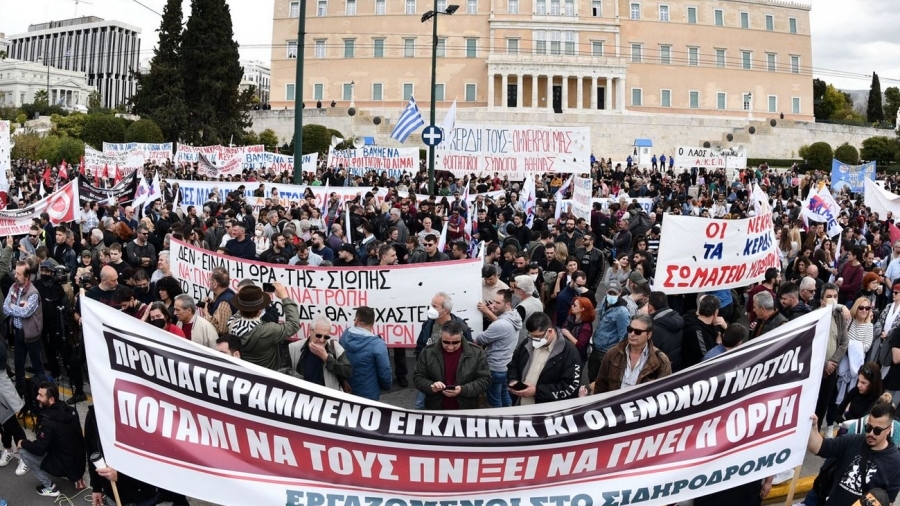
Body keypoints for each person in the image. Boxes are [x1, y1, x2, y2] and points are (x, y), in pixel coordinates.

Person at [806, 403, 900, 506]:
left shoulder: (896, 463)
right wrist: (813, 427)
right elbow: (818, 447)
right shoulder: (852, 441)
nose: (871, 433)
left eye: (877, 430)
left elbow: (888, 501)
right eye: (868, 427)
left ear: (889, 429)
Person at [16, 382, 86, 498]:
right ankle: (77, 478)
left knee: (23, 452)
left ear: (51, 399)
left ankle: (50, 487)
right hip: (79, 464)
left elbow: (39, 449)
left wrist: (22, 443)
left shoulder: (48, 421)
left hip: (64, 465)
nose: (37, 398)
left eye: (40, 395)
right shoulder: (70, 410)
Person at [413, 319, 491, 410]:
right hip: (435, 408)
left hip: (466, 409)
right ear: (440, 336)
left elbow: (485, 380)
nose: (450, 347)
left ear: (461, 337)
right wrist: (431, 386)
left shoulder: (476, 352)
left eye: (455, 343)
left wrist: (463, 389)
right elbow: (418, 377)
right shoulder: (427, 352)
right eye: (446, 342)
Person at [507, 312, 581, 405]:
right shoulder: (528, 343)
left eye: (538, 336)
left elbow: (570, 387)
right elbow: (514, 364)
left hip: (547, 409)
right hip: (521, 404)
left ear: (550, 331)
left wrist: (537, 391)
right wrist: (513, 381)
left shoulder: (569, 352)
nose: (534, 339)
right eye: (531, 335)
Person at [227, 283, 300, 371]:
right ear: (260, 310)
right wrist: (285, 297)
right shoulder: (268, 330)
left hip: (243, 372)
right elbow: (294, 324)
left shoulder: (231, 323)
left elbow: (240, 312)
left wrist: (251, 300)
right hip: (266, 375)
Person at [593, 313, 672, 394]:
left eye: (638, 332)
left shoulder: (660, 361)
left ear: (648, 335)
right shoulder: (613, 353)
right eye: (630, 329)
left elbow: (664, 392)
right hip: (615, 401)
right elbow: (600, 386)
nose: (632, 334)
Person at [474, 289, 521, 408]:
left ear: (508, 304)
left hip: (494, 368)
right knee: (504, 395)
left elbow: (480, 339)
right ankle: (509, 415)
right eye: (493, 301)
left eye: (498, 303)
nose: (493, 305)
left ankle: (499, 419)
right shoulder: (515, 316)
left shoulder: (500, 325)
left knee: (494, 402)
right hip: (506, 365)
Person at [4, 260, 44, 394]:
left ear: (27, 277)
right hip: (18, 333)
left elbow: (25, 313)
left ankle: (42, 392)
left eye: (18, 274)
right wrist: (17, 308)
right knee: (18, 364)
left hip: (31, 335)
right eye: (15, 272)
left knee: (37, 365)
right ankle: (20, 389)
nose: (15, 276)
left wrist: (12, 306)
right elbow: (5, 308)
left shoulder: (33, 293)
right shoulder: (13, 287)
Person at [340, 306, 393, 400]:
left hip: (346, 389)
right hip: (368, 394)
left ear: (356, 320)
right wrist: (386, 386)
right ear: (373, 322)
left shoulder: (344, 335)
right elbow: (385, 371)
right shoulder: (378, 344)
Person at [289, 316, 352, 391]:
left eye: (326, 337)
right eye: (318, 335)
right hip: (303, 395)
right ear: (310, 331)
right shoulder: (293, 348)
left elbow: (347, 372)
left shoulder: (335, 347)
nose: (322, 340)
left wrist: (326, 358)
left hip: (326, 396)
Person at [589, 280, 630, 382]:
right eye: (609, 293)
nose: (611, 295)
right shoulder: (604, 301)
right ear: (606, 291)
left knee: (603, 380)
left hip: (607, 352)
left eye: (614, 293)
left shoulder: (622, 312)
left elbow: (623, 336)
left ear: (620, 293)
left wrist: (617, 354)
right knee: (592, 374)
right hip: (596, 346)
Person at [681, 294, 726, 370]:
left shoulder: (715, 323)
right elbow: (706, 357)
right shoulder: (696, 331)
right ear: (715, 313)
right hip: (697, 369)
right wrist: (718, 344)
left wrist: (725, 327)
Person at [646, 291, 684, 372]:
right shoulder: (679, 320)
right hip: (674, 367)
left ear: (650, 307)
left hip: (659, 370)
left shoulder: (652, 329)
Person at [560, 296, 594, 365]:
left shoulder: (586, 327)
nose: (572, 306)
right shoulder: (571, 317)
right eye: (573, 304)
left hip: (577, 357)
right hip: (566, 352)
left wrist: (568, 334)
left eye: (575, 305)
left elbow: (580, 345)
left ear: (582, 309)